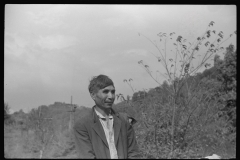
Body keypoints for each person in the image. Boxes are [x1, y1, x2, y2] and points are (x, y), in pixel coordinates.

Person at [73, 74, 139, 159]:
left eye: (113, 92)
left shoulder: (124, 121)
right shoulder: (82, 125)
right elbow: (86, 156)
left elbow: (134, 153)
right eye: (105, 92)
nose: (111, 96)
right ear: (93, 95)